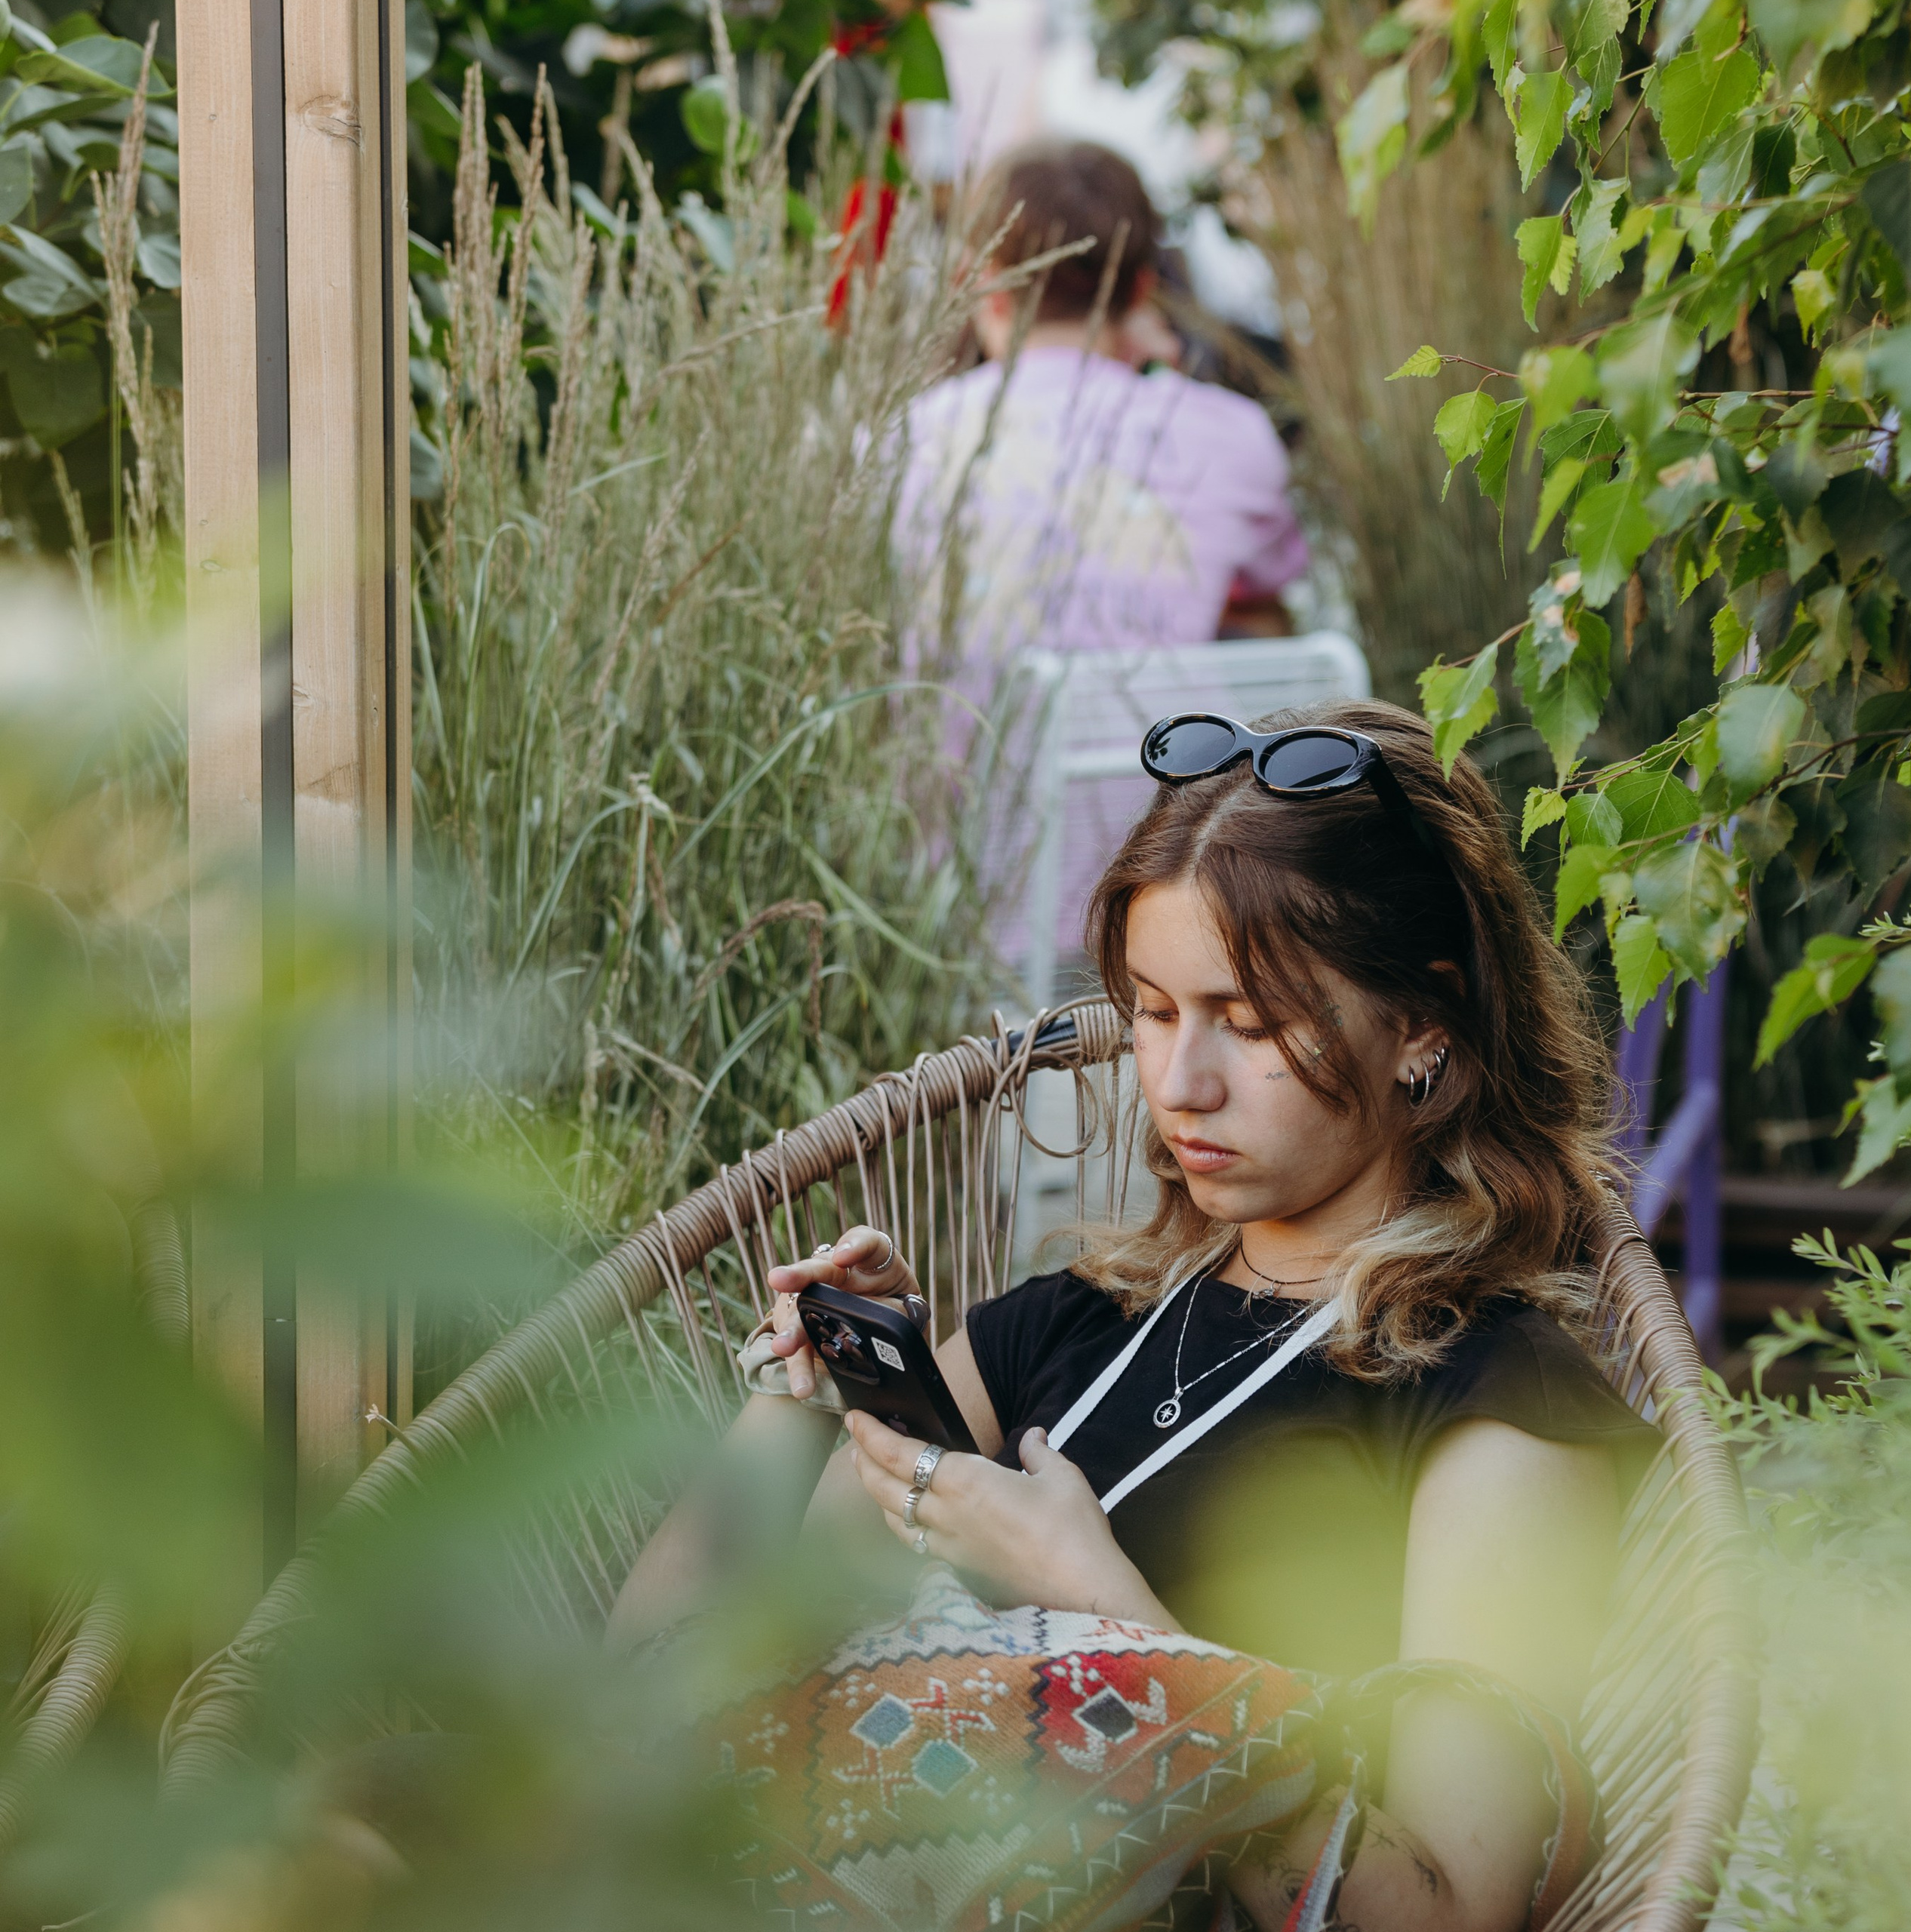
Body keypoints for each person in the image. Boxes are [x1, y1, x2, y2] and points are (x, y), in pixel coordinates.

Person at [610, 698, 1657, 1930]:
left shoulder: (1489, 1397)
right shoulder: (1065, 1327)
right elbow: (659, 1693)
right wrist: (815, 1400)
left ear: (1421, 1031)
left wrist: (1100, 1606)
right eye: (1156, 1012)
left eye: (1253, 1025)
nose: (1178, 1082)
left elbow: (1442, 1905)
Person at [896, 139, 1308, 663]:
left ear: (988, 288)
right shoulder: (1235, 433)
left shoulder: (903, 442)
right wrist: (1163, 380)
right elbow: (1264, 597)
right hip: (1172, 744)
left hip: (962, 745)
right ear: (1141, 289)